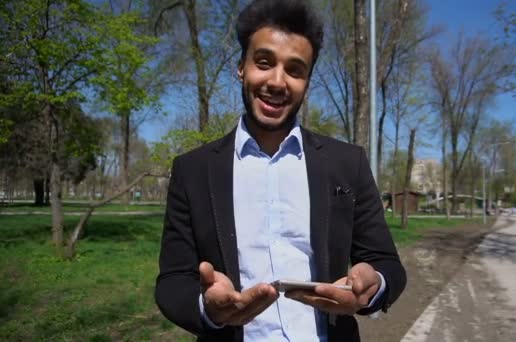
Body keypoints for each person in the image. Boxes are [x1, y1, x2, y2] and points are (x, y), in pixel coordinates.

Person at [155, 0, 406, 341]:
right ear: (241, 67)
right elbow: (172, 281)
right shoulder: (193, 170)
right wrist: (208, 308)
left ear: (307, 81)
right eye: (264, 62)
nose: (277, 81)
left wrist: (373, 285)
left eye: (294, 69)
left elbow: (386, 263)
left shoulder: (348, 163)